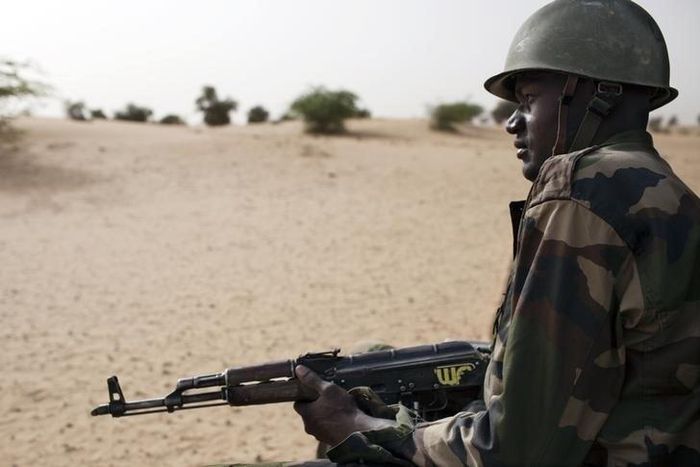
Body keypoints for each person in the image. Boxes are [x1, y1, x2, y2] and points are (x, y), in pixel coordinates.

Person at [230, 1, 700, 465]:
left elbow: (517, 450)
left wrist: (362, 429)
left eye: (529, 99)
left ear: (598, 94)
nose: (512, 123)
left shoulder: (582, 189)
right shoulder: (668, 194)